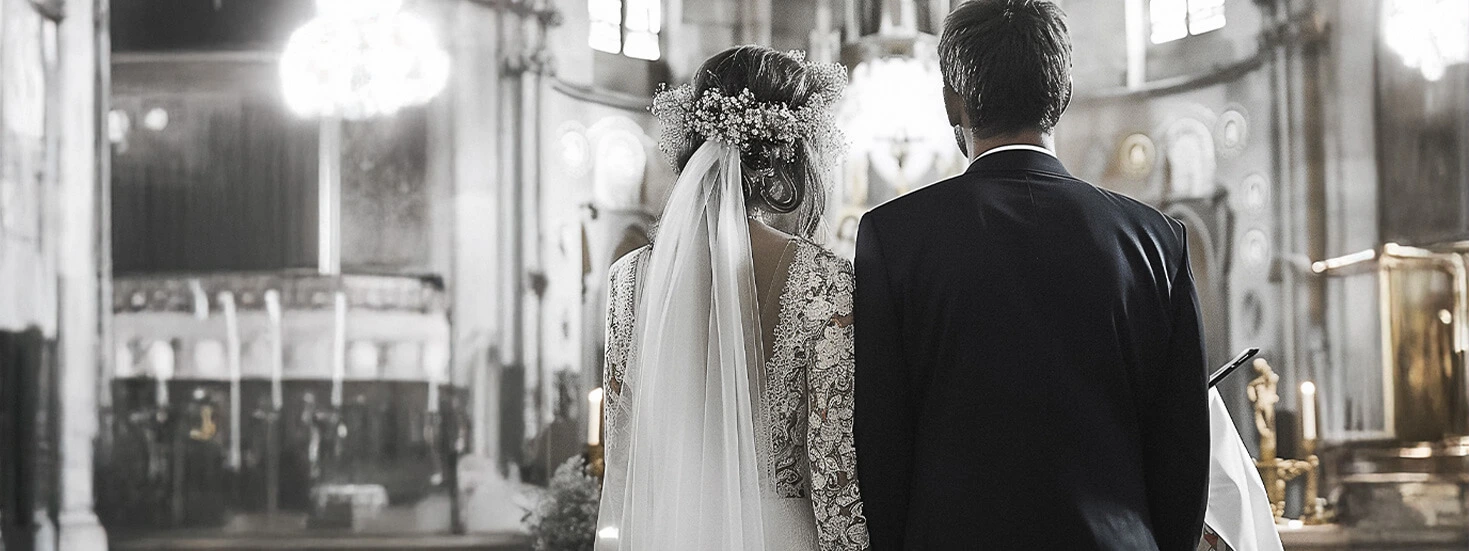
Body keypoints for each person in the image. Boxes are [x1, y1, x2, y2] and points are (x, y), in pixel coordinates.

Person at [852, 1, 1210, 549]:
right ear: (1062, 96)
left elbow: (881, 446)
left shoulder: (893, 237)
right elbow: (1182, 455)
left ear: (953, 101)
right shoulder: (1155, 240)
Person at [596, 45, 869, 550]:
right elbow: (834, 471)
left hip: (668, 532)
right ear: (787, 157)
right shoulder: (823, 280)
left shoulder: (626, 280)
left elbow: (623, 453)